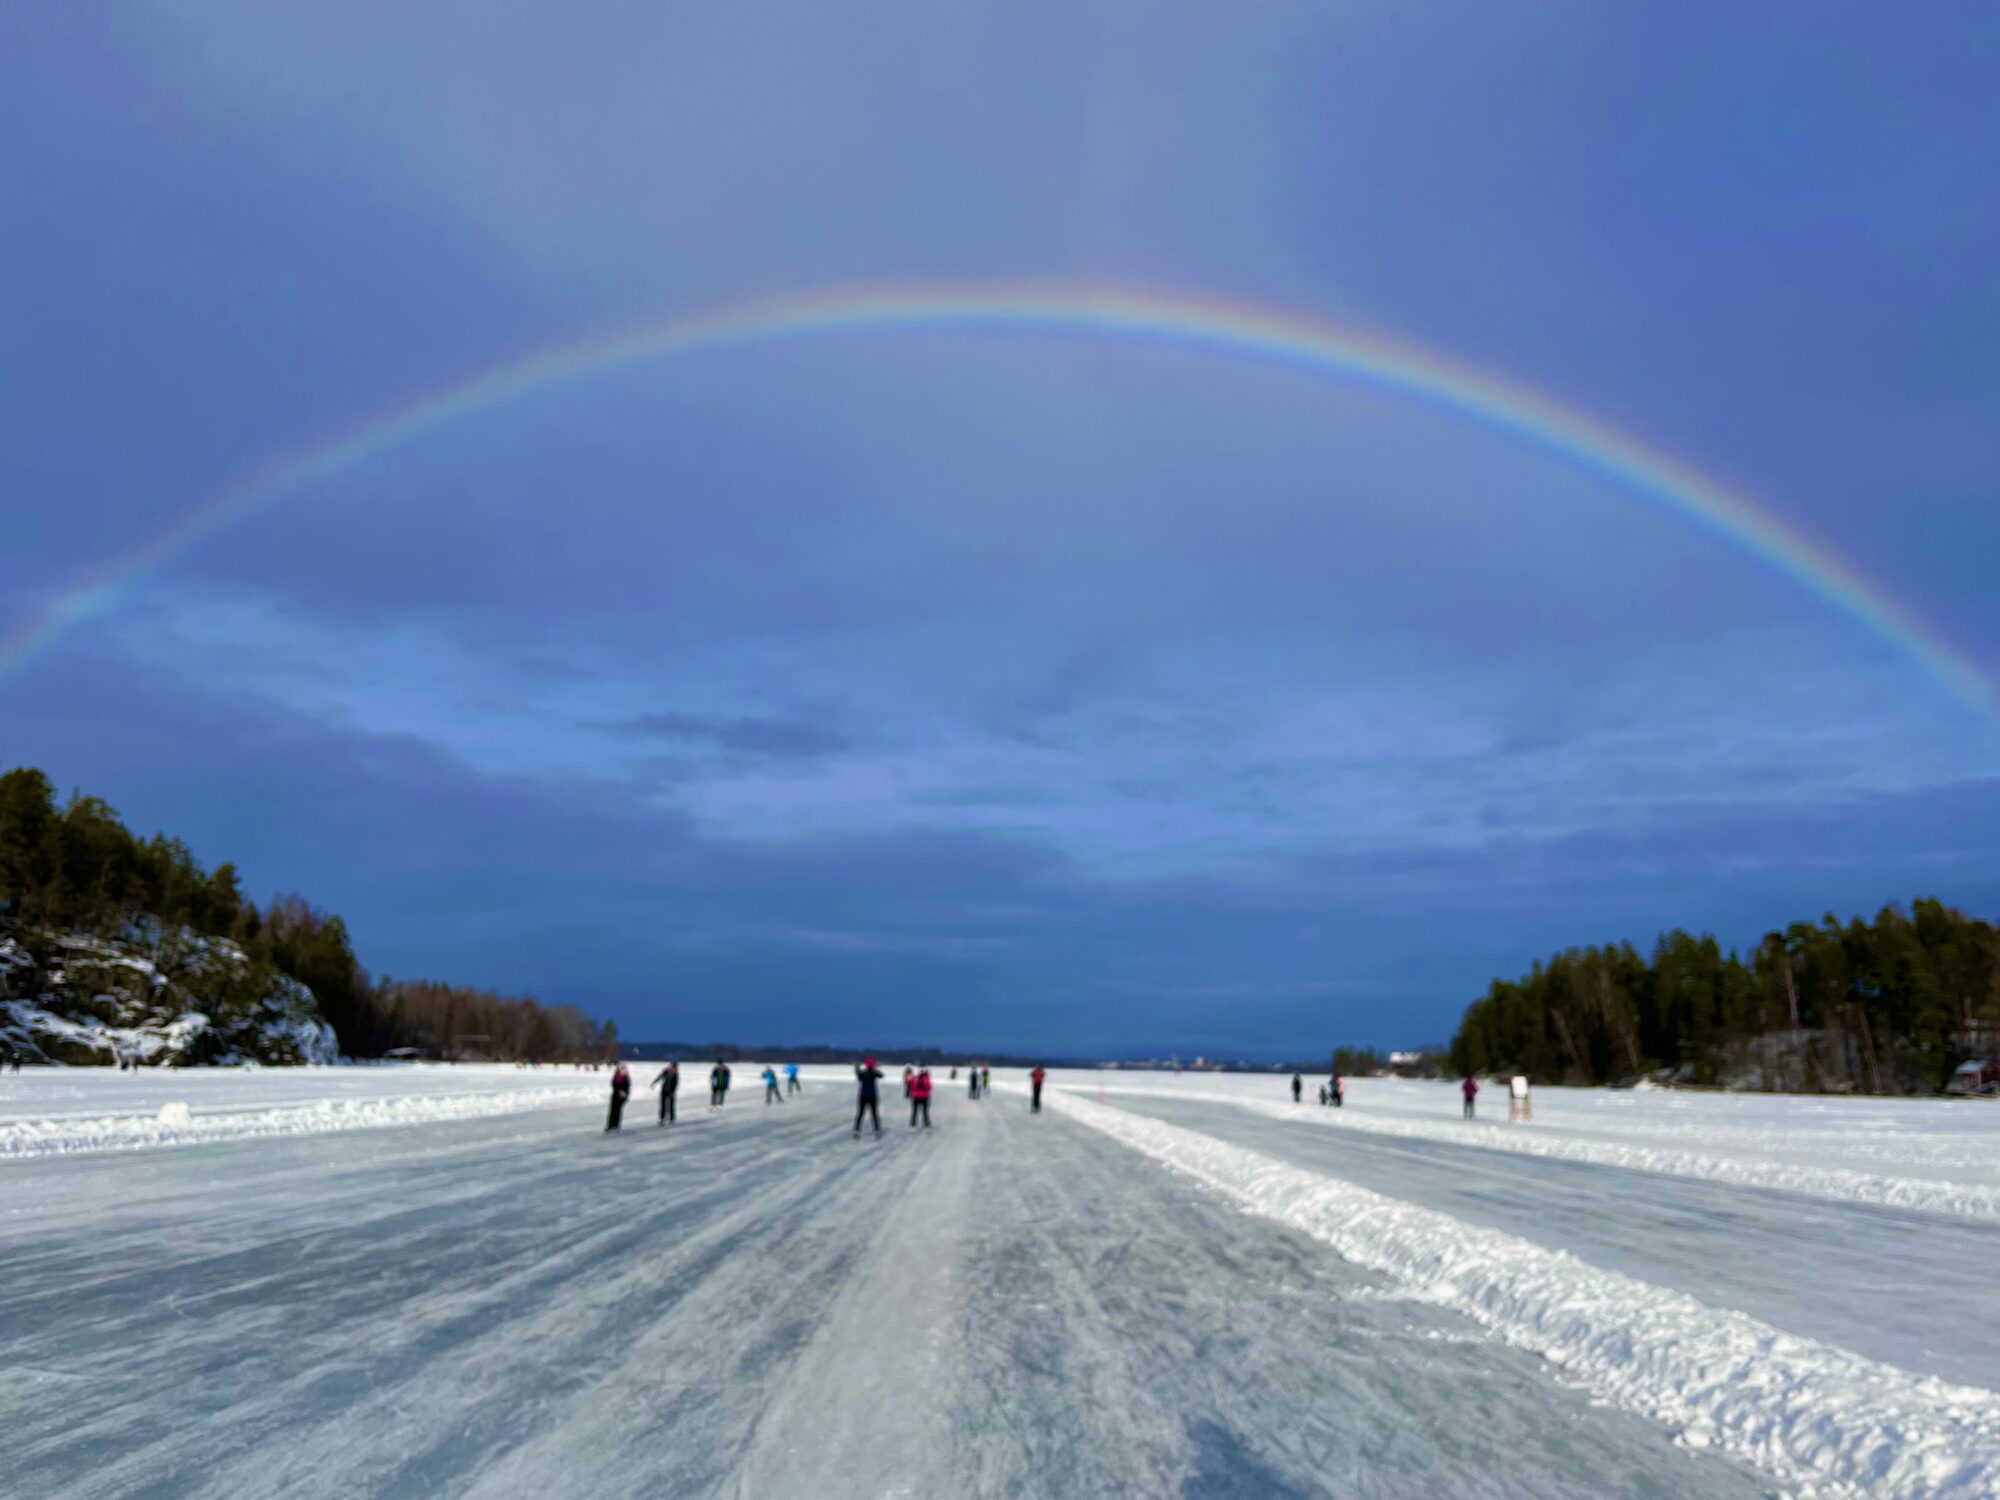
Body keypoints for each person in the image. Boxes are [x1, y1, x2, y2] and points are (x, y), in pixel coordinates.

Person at [854, 1056, 884, 1137]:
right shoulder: (874, 1073)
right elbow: (881, 1075)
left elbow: (859, 1076)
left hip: (863, 1096)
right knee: (874, 1114)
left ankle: (856, 1130)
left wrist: (857, 1069)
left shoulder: (863, 1073)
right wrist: (876, 1069)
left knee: (860, 1113)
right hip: (872, 1096)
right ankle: (876, 1130)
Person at [606, 1063, 632, 1132]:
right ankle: (610, 1125)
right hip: (615, 1095)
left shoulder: (626, 1077)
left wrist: (625, 1094)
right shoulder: (616, 1076)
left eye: (624, 1069)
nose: (623, 1071)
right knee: (612, 1111)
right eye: (622, 1069)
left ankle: (616, 1125)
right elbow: (613, 1085)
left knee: (617, 1110)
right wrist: (618, 1091)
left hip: (622, 1096)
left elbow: (628, 1087)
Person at [910, 1065, 934, 1129]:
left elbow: (912, 1087)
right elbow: (930, 1087)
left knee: (915, 1111)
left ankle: (913, 1124)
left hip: (917, 1097)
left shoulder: (915, 1078)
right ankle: (926, 1124)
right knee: (925, 1111)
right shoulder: (926, 1079)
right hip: (924, 1097)